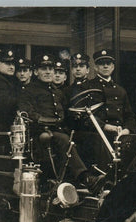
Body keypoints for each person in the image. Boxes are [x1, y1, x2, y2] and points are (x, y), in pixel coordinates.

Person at [18, 54, 104, 194]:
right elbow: (28, 114)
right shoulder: (28, 91)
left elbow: (66, 114)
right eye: (43, 68)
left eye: (50, 69)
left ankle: (99, 176)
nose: (48, 72)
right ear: (36, 72)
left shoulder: (57, 92)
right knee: (63, 139)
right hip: (40, 134)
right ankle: (85, 178)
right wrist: (50, 122)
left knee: (90, 137)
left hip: (59, 131)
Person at [86, 49, 136, 140]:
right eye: (102, 63)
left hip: (120, 135)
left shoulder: (120, 90)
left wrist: (127, 130)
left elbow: (129, 116)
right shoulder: (88, 87)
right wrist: (106, 127)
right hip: (98, 135)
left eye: (108, 63)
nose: (105, 66)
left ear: (113, 67)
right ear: (95, 67)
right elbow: (86, 116)